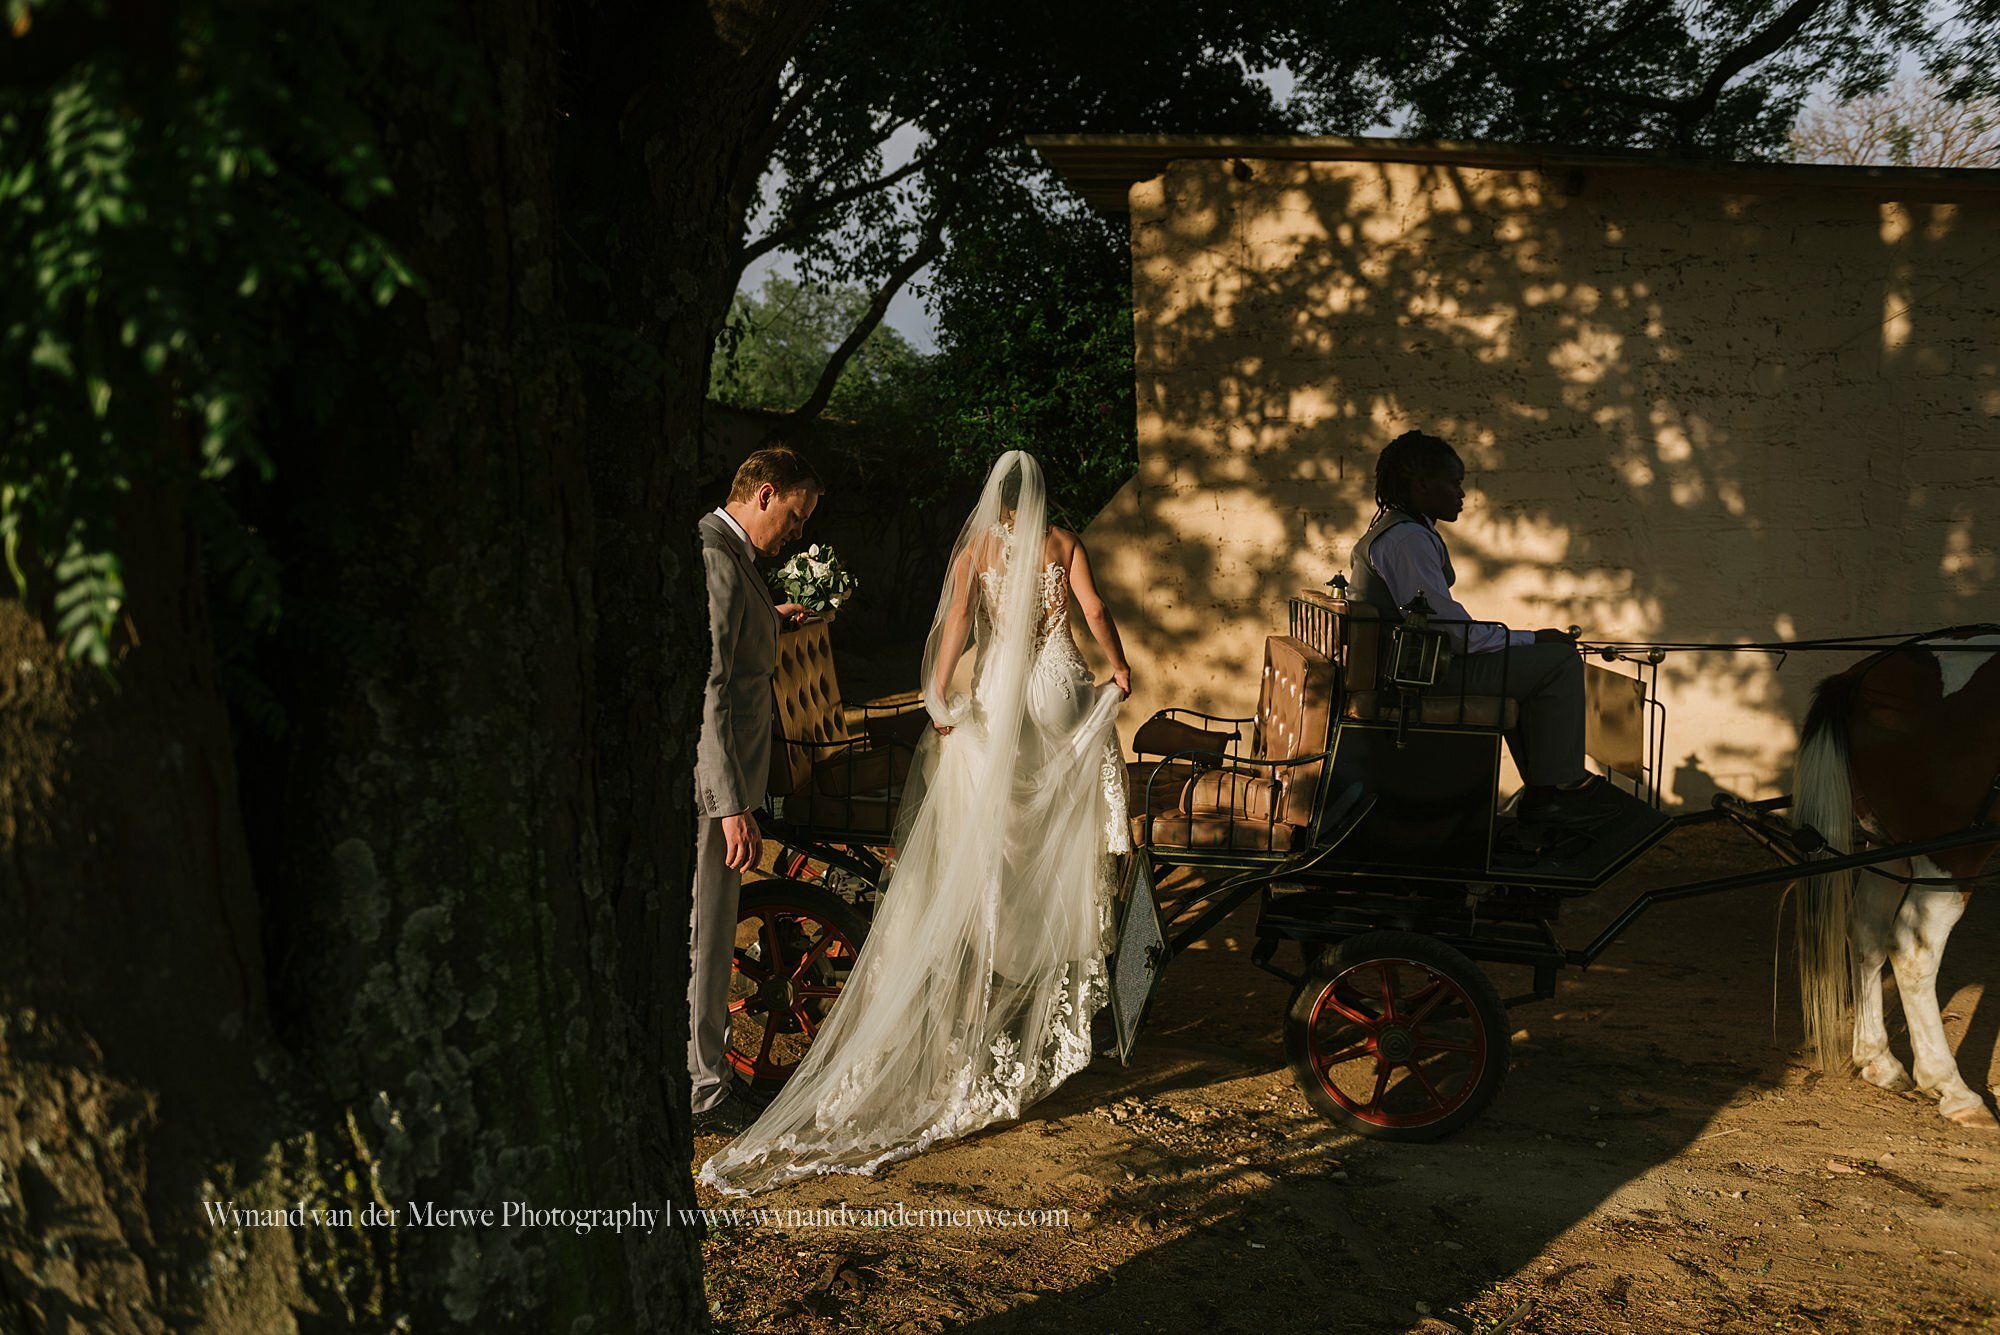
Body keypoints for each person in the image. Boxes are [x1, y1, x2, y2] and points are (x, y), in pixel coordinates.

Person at [699, 450, 1133, 1194]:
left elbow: (959, 624)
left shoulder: (978, 548)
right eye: (797, 515)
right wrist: (1118, 670)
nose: (799, 529)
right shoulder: (1064, 544)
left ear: (996, 502)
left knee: (978, 789)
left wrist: (936, 700)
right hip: (1056, 684)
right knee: (1056, 786)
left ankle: (985, 912)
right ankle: (1036, 922)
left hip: (1000, 691)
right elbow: (1093, 613)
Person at [1348, 429, 1608, 828]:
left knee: (1529, 661)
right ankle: (1555, 791)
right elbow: (1450, 631)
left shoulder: (1402, 530)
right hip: (1419, 679)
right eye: (1453, 483)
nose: (1461, 494)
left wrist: (1519, 641)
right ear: (1421, 485)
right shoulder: (1407, 540)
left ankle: (1544, 786)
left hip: (1415, 669)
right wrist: (1533, 637)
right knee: (1557, 660)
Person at [691, 447, 819, 1134]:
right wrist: (731, 803)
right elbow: (709, 686)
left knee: (712, 937)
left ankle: (704, 1080)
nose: (796, 533)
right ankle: (702, 1094)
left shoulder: (739, 562)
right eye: (795, 517)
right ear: (765, 494)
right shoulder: (714, 553)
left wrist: (772, 617)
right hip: (718, 788)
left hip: (735, 779)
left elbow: (737, 640)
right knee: (706, 938)